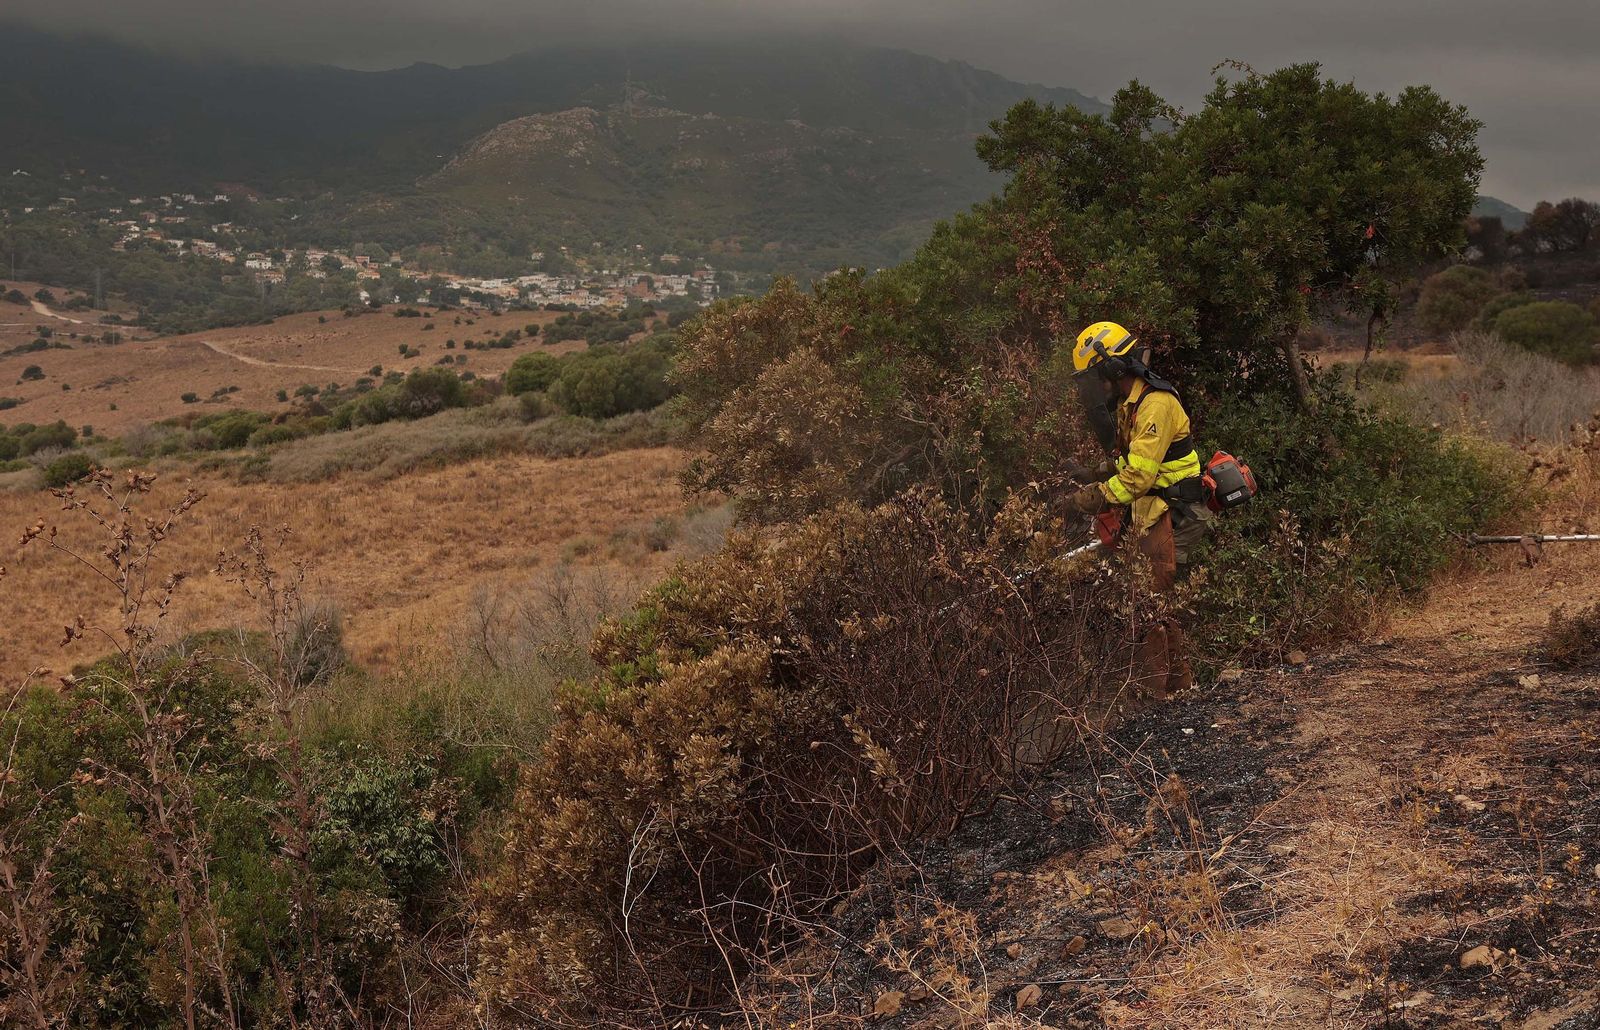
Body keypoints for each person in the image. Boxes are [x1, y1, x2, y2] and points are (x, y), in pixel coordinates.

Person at [1060, 320, 1209, 699]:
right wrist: (1092, 474)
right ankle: (1179, 691)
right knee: (1153, 603)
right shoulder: (1134, 403)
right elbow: (1131, 460)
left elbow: (1139, 478)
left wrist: (1086, 500)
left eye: (1094, 376)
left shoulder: (1156, 404)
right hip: (1155, 511)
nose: (1095, 387)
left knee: (1146, 605)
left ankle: (1157, 697)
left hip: (1177, 512)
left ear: (1111, 367)